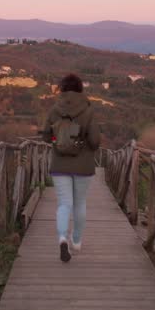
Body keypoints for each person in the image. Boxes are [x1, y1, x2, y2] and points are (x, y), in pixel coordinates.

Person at [40, 73, 102, 262]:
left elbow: (45, 136)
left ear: (63, 88)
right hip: (83, 165)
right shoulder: (88, 110)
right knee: (80, 203)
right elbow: (94, 141)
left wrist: (57, 141)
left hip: (60, 164)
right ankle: (76, 241)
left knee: (64, 203)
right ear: (80, 88)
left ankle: (61, 238)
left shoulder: (54, 109)